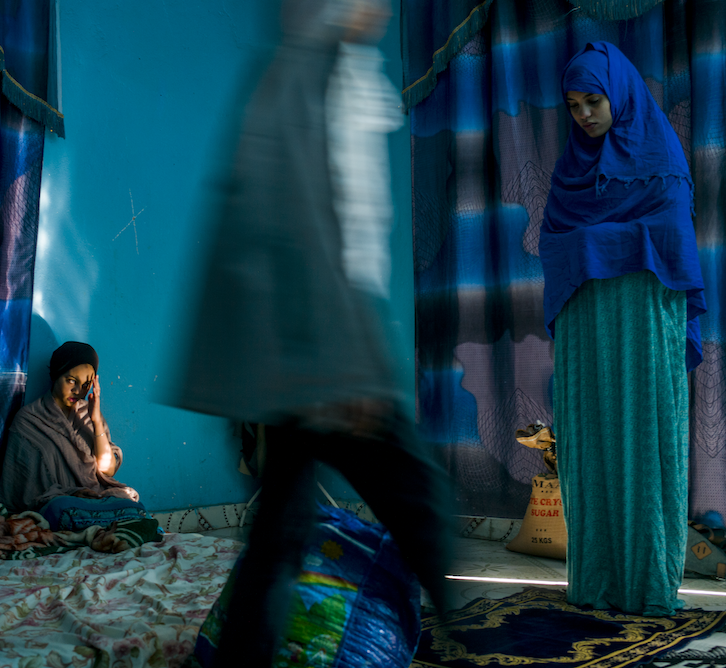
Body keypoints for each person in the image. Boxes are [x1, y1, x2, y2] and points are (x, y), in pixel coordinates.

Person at [170, 1, 457, 665]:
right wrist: (345, 367)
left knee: (279, 533)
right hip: (323, 357)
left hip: (291, 359)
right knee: (419, 500)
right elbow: (309, 232)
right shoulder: (314, 77)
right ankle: (464, 642)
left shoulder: (311, 71)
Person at [539, 42, 706, 616]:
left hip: (643, 319)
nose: (584, 114)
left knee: (645, 436)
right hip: (588, 323)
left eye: (594, 101)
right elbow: (555, 243)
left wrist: (595, 245)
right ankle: (597, 582)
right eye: (574, 105)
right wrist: (611, 243)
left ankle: (649, 584)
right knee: (591, 441)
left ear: (622, 96)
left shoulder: (661, 160)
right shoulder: (570, 173)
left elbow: (672, 242)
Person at [0, 341, 139, 520]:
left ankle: (96, 519)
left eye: (86, 384)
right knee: (61, 508)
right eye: (71, 381)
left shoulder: (90, 414)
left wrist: (96, 421)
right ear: (56, 375)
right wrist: (72, 494)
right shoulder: (28, 421)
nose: (78, 391)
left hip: (95, 498)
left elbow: (108, 471)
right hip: (58, 505)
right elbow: (23, 493)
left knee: (130, 502)